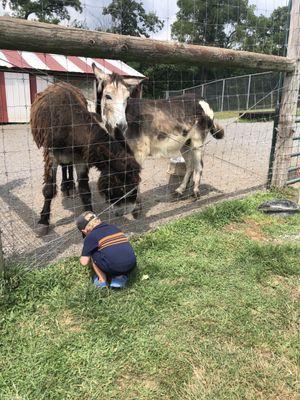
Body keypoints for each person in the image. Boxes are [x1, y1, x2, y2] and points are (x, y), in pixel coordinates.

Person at [76, 211, 136, 289]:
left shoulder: (91, 236)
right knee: (115, 248)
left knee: (93, 252)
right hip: (131, 264)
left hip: (114, 267)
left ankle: (102, 281)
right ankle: (119, 278)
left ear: (84, 231)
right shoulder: (113, 227)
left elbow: (84, 262)